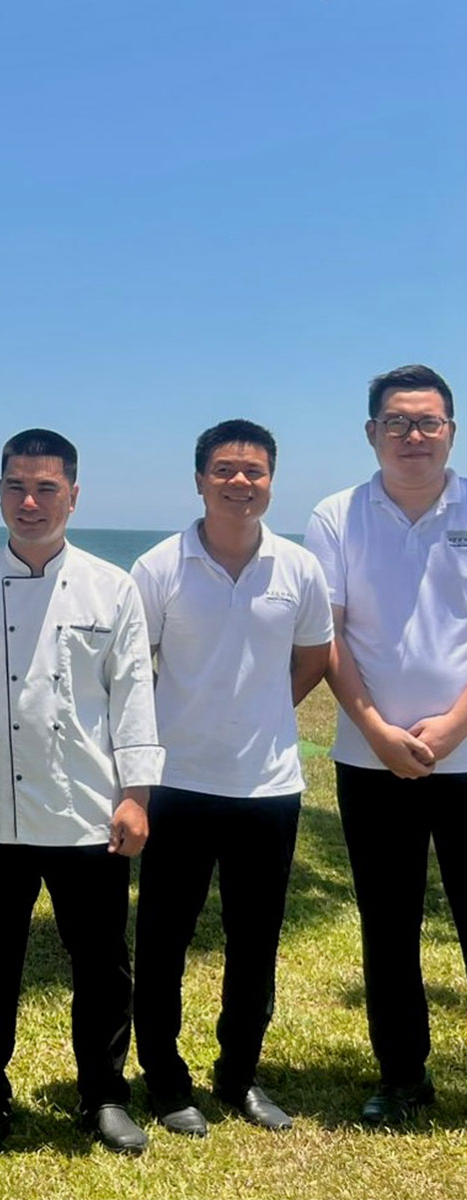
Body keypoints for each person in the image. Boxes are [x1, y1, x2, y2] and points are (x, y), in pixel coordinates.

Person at [0, 429, 163, 1155]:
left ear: (73, 495)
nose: (29, 503)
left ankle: (104, 1095)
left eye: (45, 489)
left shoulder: (112, 586)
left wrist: (136, 796)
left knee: (102, 964)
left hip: (87, 809)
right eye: (15, 488)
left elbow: (134, 696)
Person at [130, 420, 333, 1136]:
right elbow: (133, 670)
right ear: (199, 479)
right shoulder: (159, 567)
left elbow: (314, 657)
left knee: (255, 943)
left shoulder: (298, 567)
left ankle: (239, 1074)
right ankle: (165, 1080)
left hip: (268, 789)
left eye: (253, 471)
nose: (239, 482)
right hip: (177, 783)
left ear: (271, 481)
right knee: (163, 941)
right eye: (224, 469)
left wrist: (265, 711)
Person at [304, 364, 467, 1126]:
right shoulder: (337, 515)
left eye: (428, 422)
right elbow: (328, 634)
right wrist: (374, 728)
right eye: (397, 422)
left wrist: (456, 724)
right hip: (370, 759)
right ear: (372, 433)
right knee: (389, 924)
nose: (413, 436)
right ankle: (403, 1075)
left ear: (451, 431)